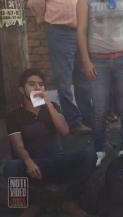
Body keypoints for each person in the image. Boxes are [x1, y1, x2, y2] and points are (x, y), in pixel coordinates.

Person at [3, 69, 96, 217]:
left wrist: (48, 105)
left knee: (90, 155)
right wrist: (28, 161)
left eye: (40, 84)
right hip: (32, 167)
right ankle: (24, 208)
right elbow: (18, 146)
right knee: (11, 167)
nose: (37, 87)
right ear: (22, 89)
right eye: (31, 84)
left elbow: (65, 131)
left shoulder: (52, 107)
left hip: (56, 161)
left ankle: (69, 201)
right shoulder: (14, 116)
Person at [77, 0, 123, 166]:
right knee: (100, 108)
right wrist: (86, 61)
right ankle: (99, 148)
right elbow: (81, 30)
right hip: (98, 61)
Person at [28, 0, 93, 135]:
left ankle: (88, 117)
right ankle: (74, 122)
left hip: (81, 32)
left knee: (83, 77)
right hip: (60, 32)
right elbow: (34, 3)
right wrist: (42, 18)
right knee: (64, 81)